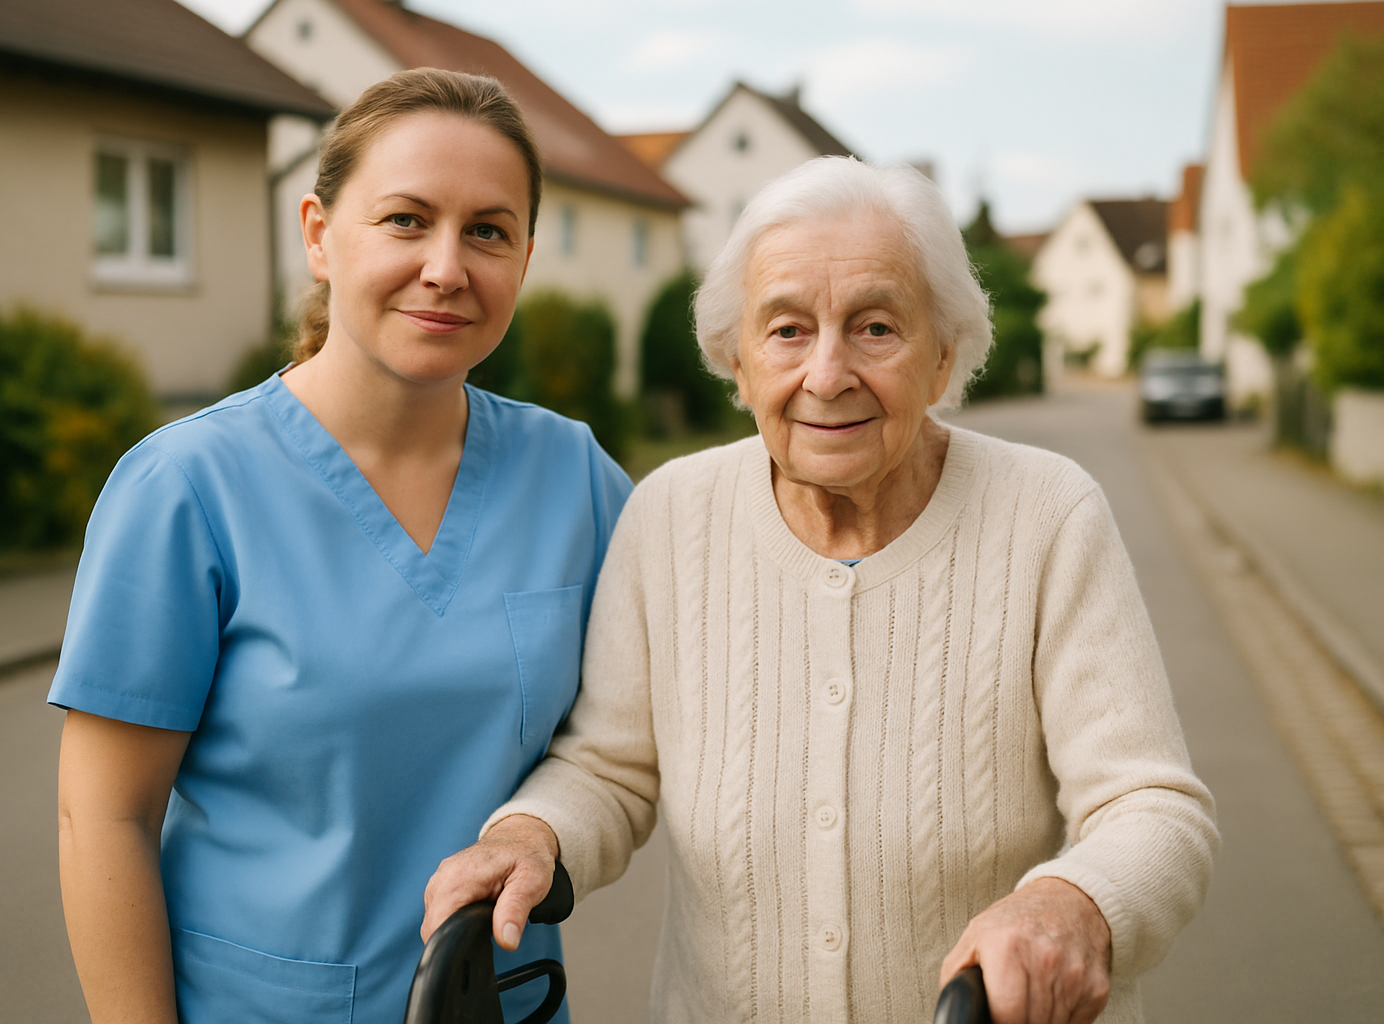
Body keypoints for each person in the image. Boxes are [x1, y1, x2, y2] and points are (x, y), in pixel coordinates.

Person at [423, 157, 1219, 1024]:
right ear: (737, 361)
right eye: (788, 330)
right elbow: (607, 768)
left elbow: (1149, 804)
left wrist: (1075, 903)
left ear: (944, 354)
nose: (828, 374)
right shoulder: (670, 515)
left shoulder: (1047, 514)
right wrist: (530, 834)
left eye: (876, 327)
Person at [51, 68, 630, 1024]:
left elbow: (667, 710)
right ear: (319, 235)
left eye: (488, 231)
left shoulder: (574, 477)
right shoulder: (188, 489)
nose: (446, 267)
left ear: (524, 258)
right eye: (406, 220)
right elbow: (104, 817)